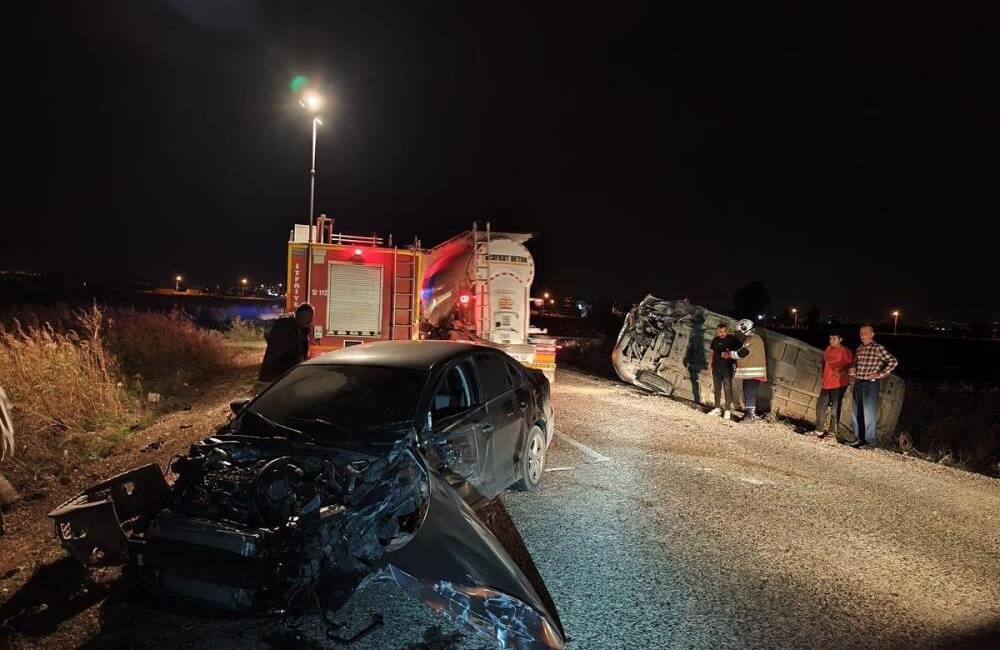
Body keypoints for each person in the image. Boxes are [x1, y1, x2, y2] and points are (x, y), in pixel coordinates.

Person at [848, 324, 898, 448]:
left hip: (870, 384)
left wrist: (880, 374)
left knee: (868, 413)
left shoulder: (878, 348)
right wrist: (852, 372)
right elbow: (856, 364)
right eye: (860, 333)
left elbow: (893, 361)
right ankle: (858, 439)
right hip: (858, 382)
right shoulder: (859, 348)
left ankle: (870, 442)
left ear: (872, 334)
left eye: (865, 333)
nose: (862, 335)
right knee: (856, 412)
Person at [259, 303, 314, 385]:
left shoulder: (301, 330)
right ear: (302, 316)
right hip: (275, 378)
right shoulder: (286, 326)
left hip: (282, 378)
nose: (311, 321)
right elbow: (288, 354)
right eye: (309, 317)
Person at [727, 318, 768, 422]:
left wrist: (729, 354)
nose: (741, 333)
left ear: (746, 328)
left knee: (750, 393)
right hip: (750, 373)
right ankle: (749, 414)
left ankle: (750, 416)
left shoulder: (753, 339)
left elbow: (743, 353)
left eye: (741, 331)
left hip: (752, 373)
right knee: (749, 392)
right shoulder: (753, 338)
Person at [814, 331, 854, 438]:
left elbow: (851, 365)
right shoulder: (828, 349)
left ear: (840, 339)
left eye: (834, 339)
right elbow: (824, 362)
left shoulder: (845, 351)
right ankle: (819, 431)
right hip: (826, 383)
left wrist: (842, 371)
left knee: (835, 409)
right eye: (830, 338)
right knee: (820, 407)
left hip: (839, 384)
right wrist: (823, 373)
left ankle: (832, 433)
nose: (831, 341)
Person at [708, 322, 740, 420]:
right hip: (716, 368)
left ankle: (727, 410)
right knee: (717, 389)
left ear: (727, 331)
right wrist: (709, 368)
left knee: (727, 389)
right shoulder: (715, 340)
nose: (722, 333)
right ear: (717, 331)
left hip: (727, 368)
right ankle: (717, 408)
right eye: (720, 331)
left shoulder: (732, 339)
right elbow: (712, 354)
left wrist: (730, 354)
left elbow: (741, 349)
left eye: (724, 331)